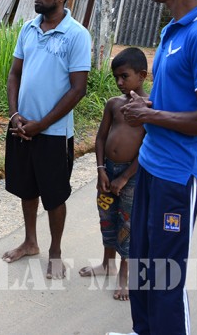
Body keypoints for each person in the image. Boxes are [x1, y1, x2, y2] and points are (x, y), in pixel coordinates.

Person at [110, 0, 197, 335]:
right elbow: (172, 102)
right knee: (143, 261)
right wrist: (147, 105)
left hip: (179, 175)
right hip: (151, 165)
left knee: (165, 276)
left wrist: (151, 114)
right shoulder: (171, 32)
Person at [2, 0, 91, 279]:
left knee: (54, 195)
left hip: (53, 132)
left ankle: (55, 251)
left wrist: (41, 124)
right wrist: (15, 115)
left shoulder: (77, 35)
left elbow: (78, 89)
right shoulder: (28, 29)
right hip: (21, 127)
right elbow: (14, 74)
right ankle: (30, 242)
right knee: (26, 188)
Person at [79, 47, 148, 301]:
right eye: (116, 77)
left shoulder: (150, 108)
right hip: (108, 172)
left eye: (124, 76)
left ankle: (124, 275)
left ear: (142, 75)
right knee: (107, 218)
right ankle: (107, 263)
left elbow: (148, 148)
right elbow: (100, 138)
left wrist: (125, 176)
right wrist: (101, 170)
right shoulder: (113, 104)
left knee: (127, 223)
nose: (119, 82)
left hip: (132, 176)